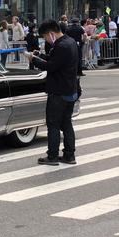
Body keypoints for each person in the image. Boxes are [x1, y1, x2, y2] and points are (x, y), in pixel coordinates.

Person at [25, 19, 79, 166]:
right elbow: (56, 61)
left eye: (45, 37)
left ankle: (53, 156)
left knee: (53, 125)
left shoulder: (61, 46)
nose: (46, 40)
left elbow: (51, 66)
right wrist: (40, 56)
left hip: (58, 91)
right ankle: (69, 155)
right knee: (67, 123)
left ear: (51, 33)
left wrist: (33, 59)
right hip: (70, 89)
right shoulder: (70, 42)